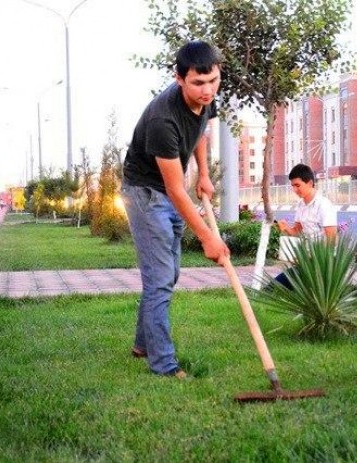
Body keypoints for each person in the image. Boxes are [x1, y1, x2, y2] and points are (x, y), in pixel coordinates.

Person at [121, 40, 230, 380]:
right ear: (179, 78)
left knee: (167, 275)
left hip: (169, 190)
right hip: (145, 194)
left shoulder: (205, 99)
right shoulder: (162, 120)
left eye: (213, 80)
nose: (207, 90)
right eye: (198, 83)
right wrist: (208, 237)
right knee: (160, 281)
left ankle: (143, 344)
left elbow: (200, 131)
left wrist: (205, 174)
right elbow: (174, 191)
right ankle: (164, 364)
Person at [274, 164, 337, 288]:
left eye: (298, 185)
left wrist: (314, 257)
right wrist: (285, 227)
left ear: (310, 183)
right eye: (292, 186)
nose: (295, 190)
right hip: (306, 261)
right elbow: (297, 231)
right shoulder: (301, 205)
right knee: (275, 286)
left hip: (323, 262)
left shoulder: (323, 205)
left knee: (280, 287)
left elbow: (332, 238)